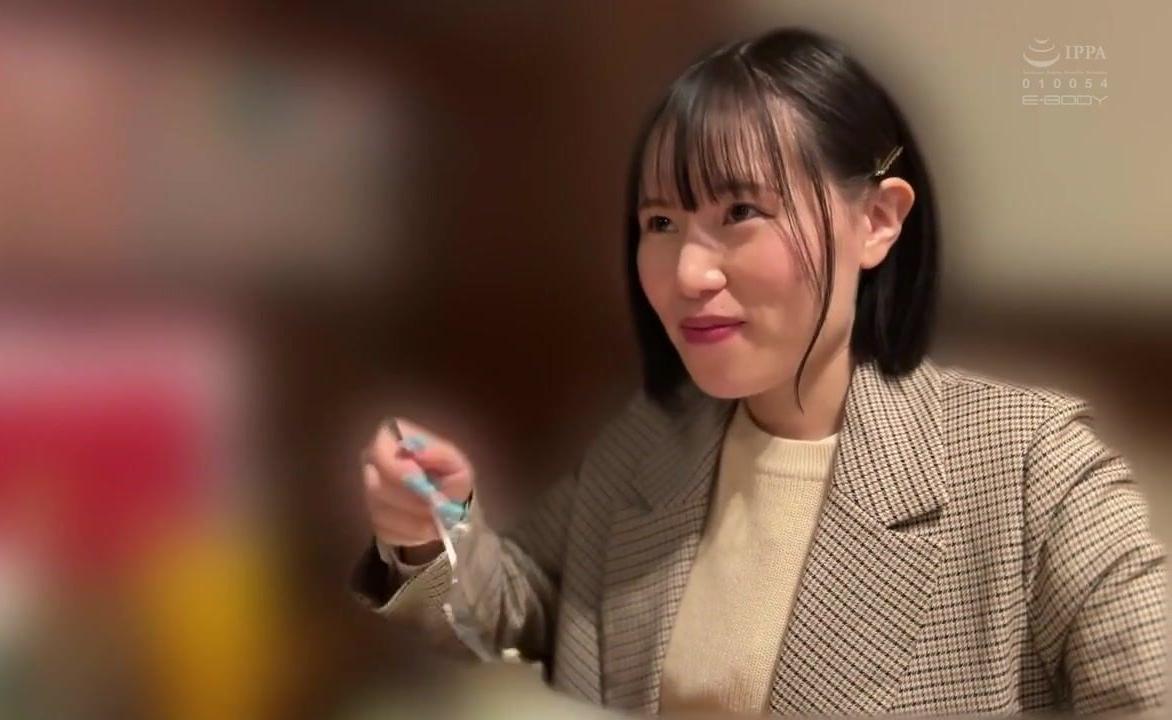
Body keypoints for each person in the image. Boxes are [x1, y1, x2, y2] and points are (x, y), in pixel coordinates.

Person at [349, 27, 1167, 716]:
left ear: (877, 221)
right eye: (661, 222)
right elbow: (521, 609)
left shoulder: (1032, 466)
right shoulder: (650, 446)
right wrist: (431, 529)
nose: (689, 273)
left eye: (740, 212)